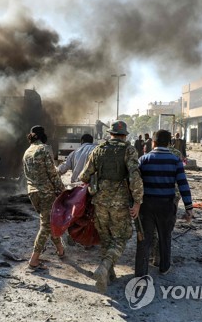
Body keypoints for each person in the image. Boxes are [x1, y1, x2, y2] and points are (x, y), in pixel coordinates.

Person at [79, 120, 142, 293]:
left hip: (99, 201)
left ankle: (109, 274)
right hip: (119, 203)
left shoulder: (98, 150)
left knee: (105, 238)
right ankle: (104, 267)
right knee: (121, 237)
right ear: (124, 135)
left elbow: (84, 176)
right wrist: (137, 202)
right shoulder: (128, 150)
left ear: (111, 134)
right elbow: (134, 177)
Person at [136, 129, 193, 277]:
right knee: (165, 237)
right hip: (167, 205)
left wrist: (135, 203)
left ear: (153, 142)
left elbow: (135, 183)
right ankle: (164, 267)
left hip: (146, 205)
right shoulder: (175, 161)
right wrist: (189, 207)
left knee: (144, 239)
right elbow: (183, 184)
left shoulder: (143, 159)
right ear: (169, 143)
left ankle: (141, 272)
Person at [23, 125, 66, 270]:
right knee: (46, 225)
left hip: (32, 193)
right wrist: (62, 191)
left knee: (49, 222)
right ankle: (34, 260)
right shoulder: (43, 149)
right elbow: (52, 174)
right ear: (43, 136)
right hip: (46, 193)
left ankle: (60, 250)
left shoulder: (27, 152)